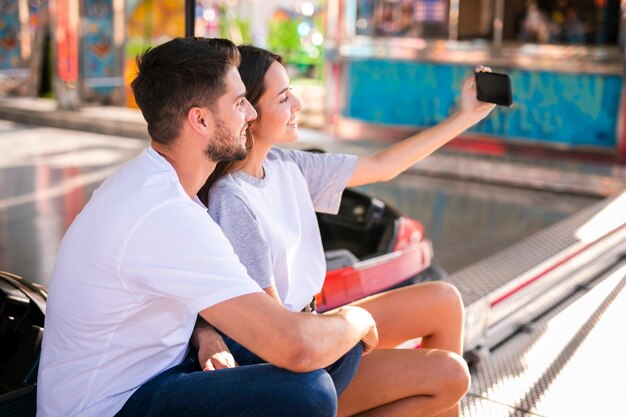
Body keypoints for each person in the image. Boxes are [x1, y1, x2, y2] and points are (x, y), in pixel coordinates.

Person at [37, 37, 379, 417]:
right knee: (309, 389)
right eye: (238, 103)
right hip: (108, 407)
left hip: (154, 375)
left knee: (334, 352)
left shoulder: (156, 182)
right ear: (199, 119)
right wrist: (357, 318)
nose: (250, 113)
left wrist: (204, 331)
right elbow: (294, 345)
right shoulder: (165, 213)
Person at [201, 45, 496, 417]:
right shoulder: (233, 201)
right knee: (449, 374)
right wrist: (346, 327)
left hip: (314, 323)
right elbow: (275, 335)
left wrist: (466, 117)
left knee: (444, 301)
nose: (298, 104)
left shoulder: (284, 164)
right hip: (290, 365)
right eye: (283, 96)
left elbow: (383, 164)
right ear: (249, 112)